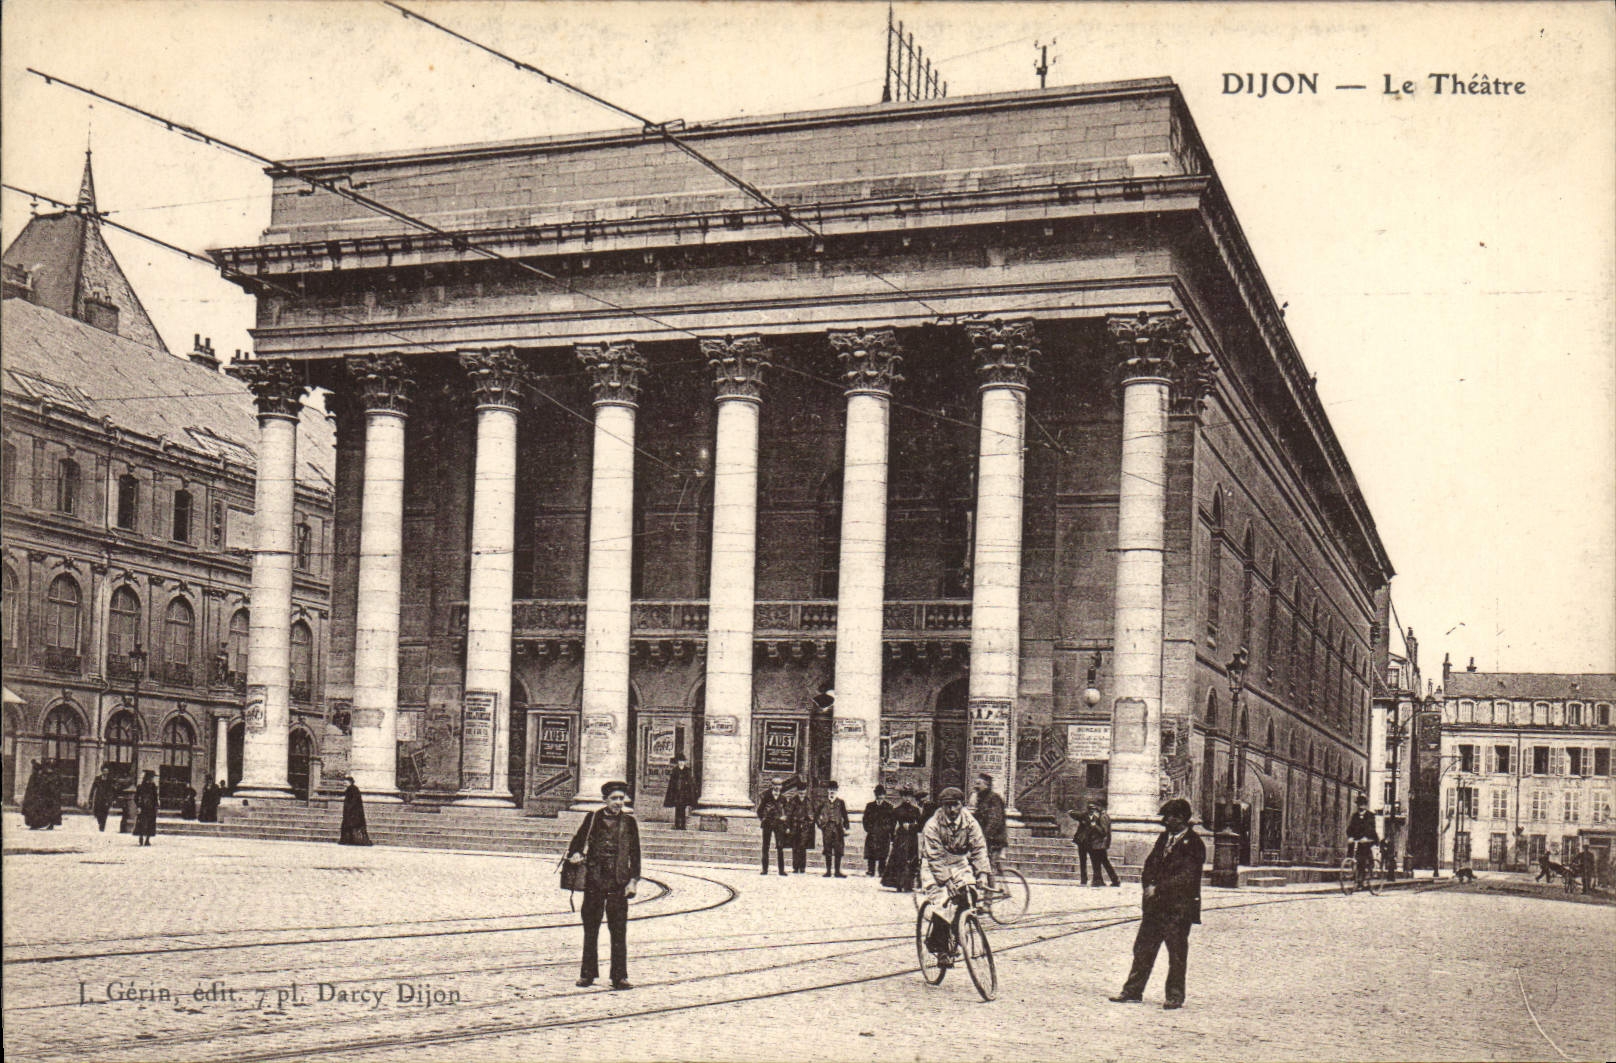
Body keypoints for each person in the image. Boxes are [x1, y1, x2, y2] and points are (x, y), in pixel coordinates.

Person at [1111, 798, 1204, 1010]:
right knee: (1143, 949)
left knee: (1176, 954)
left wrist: (1158, 888)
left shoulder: (1194, 844)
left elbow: (1187, 877)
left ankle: (1174, 996)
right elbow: (1150, 864)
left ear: (1181, 819)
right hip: (1155, 907)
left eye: (1169, 817)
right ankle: (1132, 991)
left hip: (1178, 909)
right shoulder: (1164, 838)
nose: (1165, 821)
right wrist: (1147, 884)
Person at [567, 780, 642, 990]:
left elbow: (636, 855)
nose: (618, 802)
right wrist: (575, 854)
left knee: (618, 930)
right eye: (614, 799)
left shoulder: (629, 823)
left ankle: (619, 977)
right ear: (605, 800)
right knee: (591, 929)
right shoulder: (592, 819)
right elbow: (577, 842)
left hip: (619, 881)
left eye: (621, 798)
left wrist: (633, 881)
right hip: (595, 880)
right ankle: (587, 974)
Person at [918, 786, 991, 966]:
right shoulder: (932, 826)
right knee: (944, 901)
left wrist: (982, 873)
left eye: (955, 805)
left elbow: (979, 848)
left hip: (958, 863)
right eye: (947, 806)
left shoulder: (970, 823)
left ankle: (957, 931)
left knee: (969, 893)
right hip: (935, 866)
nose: (951, 810)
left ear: (962, 805)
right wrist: (946, 881)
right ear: (941, 806)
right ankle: (940, 946)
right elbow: (934, 857)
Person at [881, 788, 922, 891]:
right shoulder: (897, 810)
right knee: (900, 860)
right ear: (902, 797)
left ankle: (909, 885)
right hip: (901, 837)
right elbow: (891, 825)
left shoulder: (916, 810)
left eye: (909, 796)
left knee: (912, 859)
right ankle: (899, 884)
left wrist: (912, 826)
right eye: (905, 796)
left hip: (912, 837)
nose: (907, 798)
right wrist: (893, 837)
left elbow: (921, 825)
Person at [970, 773, 1008, 875]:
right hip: (985, 838)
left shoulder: (994, 798)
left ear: (986, 785)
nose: (975, 786)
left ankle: (991, 890)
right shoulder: (981, 799)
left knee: (988, 867)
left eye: (978, 784)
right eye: (975, 783)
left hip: (994, 840)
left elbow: (995, 820)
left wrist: (984, 836)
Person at [1085, 799, 1122, 887]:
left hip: (1099, 844)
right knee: (1101, 862)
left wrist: (1094, 826)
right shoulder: (1103, 816)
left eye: (1097, 806)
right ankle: (1101, 880)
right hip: (1099, 844)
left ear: (1101, 806)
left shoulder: (1103, 817)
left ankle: (1110, 880)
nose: (1095, 808)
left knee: (1099, 862)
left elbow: (1103, 832)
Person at [756, 777, 788, 875]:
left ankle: (781, 870)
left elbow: (786, 812)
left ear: (781, 786)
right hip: (768, 825)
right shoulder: (766, 797)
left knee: (780, 846)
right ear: (772, 785)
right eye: (775, 785)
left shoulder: (783, 798)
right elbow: (759, 811)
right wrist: (764, 819)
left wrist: (785, 822)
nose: (777, 787)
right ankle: (765, 869)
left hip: (779, 825)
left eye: (779, 785)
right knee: (766, 846)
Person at [1345, 794, 1379, 889]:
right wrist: (1350, 836)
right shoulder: (1355, 816)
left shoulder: (1370, 816)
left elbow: (1371, 829)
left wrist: (1366, 837)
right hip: (1357, 841)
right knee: (1352, 853)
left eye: (1362, 804)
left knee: (1363, 859)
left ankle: (1362, 880)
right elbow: (1350, 828)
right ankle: (1352, 870)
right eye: (1359, 804)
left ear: (1365, 805)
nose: (1360, 806)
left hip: (1368, 839)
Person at [817, 781, 850, 877]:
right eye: (831, 789)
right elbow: (816, 816)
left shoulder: (841, 802)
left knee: (838, 850)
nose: (832, 791)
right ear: (828, 790)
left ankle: (837, 871)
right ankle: (828, 871)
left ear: (837, 790)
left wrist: (847, 827)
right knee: (827, 850)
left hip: (838, 829)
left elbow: (845, 816)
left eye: (834, 790)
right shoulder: (823, 802)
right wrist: (821, 825)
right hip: (827, 829)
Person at [862, 785, 894, 877]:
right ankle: (871, 870)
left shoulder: (889, 806)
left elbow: (892, 821)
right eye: (878, 795)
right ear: (875, 795)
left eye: (882, 795)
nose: (880, 797)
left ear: (884, 795)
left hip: (884, 834)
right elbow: (865, 819)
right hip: (872, 833)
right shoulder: (870, 806)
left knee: (883, 854)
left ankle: (882, 871)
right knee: (871, 852)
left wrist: (888, 830)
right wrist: (869, 829)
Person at [786, 780, 815, 874]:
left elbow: (811, 816)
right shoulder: (793, 801)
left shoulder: (808, 802)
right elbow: (788, 814)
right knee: (795, 847)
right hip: (794, 826)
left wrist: (808, 825)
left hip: (804, 828)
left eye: (803, 792)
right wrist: (788, 826)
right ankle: (795, 867)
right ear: (797, 792)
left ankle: (802, 867)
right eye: (800, 792)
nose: (801, 794)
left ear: (806, 791)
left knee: (803, 847)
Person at [22, 761, 60, 830]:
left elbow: (46, 787)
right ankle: (35, 825)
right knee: (36, 811)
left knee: (43, 811)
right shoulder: (37, 776)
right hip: (37, 797)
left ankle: (38, 825)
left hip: (47, 797)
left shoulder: (43, 776)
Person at [664, 755, 696, 830]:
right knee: (678, 809)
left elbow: (690, 783)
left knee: (683, 809)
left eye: (682, 761)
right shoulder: (675, 770)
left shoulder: (687, 770)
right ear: (678, 762)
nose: (681, 763)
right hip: (677, 793)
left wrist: (689, 793)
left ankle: (683, 825)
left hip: (684, 793)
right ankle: (677, 824)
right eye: (680, 761)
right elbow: (672, 783)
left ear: (685, 762)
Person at [340, 777, 372, 846]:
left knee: (352, 826)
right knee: (351, 826)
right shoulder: (352, 789)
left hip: (353, 812)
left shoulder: (352, 789)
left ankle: (352, 840)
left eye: (346, 782)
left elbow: (353, 801)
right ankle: (350, 840)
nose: (344, 783)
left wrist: (348, 809)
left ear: (350, 782)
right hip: (353, 812)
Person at [133, 770, 160, 846]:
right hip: (143, 807)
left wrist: (156, 806)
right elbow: (136, 798)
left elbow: (155, 798)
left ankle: (147, 839)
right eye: (151, 777)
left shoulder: (153, 786)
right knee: (142, 823)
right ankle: (141, 837)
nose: (152, 779)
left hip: (151, 808)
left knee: (151, 824)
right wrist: (138, 806)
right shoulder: (141, 786)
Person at [1069, 806, 1095, 884]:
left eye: (1093, 809)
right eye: (1090, 809)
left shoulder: (1096, 818)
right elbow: (1072, 813)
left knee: (1094, 861)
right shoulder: (1083, 816)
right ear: (1088, 810)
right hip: (1082, 842)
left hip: (1091, 843)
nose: (1091, 811)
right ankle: (1084, 879)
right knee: (1082, 861)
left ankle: (1095, 879)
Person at [89, 765, 118, 832]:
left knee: (105, 812)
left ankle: (102, 826)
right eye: (104, 771)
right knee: (97, 812)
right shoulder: (97, 778)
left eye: (107, 771)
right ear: (102, 771)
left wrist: (114, 799)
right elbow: (93, 788)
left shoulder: (110, 780)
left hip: (107, 798)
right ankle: (100, 822)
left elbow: (114, 790)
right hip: (98, 797)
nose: (105, 772)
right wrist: (90, 798)